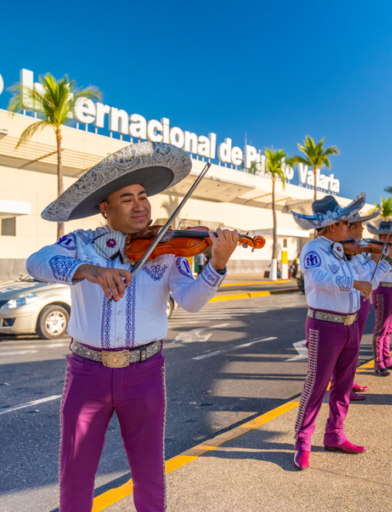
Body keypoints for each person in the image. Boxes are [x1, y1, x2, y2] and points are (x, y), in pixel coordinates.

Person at [26, 142, 239, 511]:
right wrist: (88, 270)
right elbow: (37, 261)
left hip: (145, 372)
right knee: (75, 473)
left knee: (149, 472)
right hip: (86, 372)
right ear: (105, 208)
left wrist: (216, 265)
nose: (140, 204)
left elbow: (189, 300)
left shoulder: (169, 248)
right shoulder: (80, 243)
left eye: (143, 196)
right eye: (127, 198)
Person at [290, 192, 384, 470]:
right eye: (346, 223)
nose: (350, 227)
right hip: (324, 325)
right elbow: (320, 280)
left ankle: (335, 434)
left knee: (343, 387)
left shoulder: (343, 251)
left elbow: (369, 282)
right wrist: (355, 284)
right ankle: (303, 442)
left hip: (349, 324)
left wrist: (380, 260)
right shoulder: (313, 250)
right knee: (316, 386)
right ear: (332, 226)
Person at [343, 209, 392, 399]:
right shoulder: (348, 252)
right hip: (354, 300)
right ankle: (344, 386)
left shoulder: (357, 251)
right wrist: (381, 257)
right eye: (359, 226)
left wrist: (375, 256)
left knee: (355, 345)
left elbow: (368, 276)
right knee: (349, 347)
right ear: (350, 228)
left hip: (361, 300)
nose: (363, 230)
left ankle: (350, 380)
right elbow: (369, 280)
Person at [367, 221, 392, 376]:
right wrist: (391, 254)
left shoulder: (391, 250)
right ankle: (378, 362)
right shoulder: (378, 250)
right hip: (382, 289)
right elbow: (384, 269)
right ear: (384, 236)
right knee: (381, 328)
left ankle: (387, 358)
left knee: (389, 328)